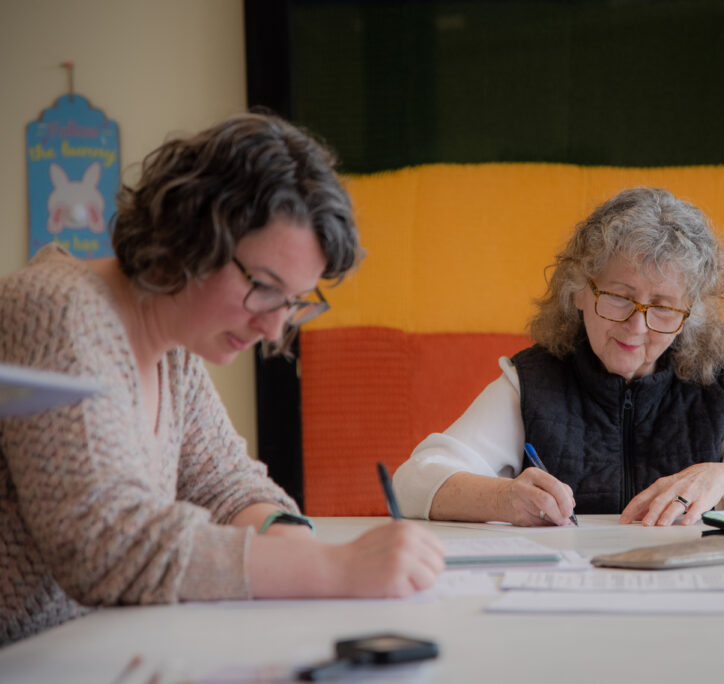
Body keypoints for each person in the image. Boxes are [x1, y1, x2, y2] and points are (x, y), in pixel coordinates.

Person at [0, 113, 444, 646]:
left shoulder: (174, 347)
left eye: (294, 302)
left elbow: (227, 486)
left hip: (87, 651)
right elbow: (104, 545)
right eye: (264, 286)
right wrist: (330, 568)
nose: (275, 325)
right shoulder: (57, 310)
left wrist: (292, 545)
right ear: (191, 233)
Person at [394, 186, 724, 527]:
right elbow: (413, 482)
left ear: (690, 316)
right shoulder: (532, 381)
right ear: (579, 291)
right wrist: (503, 499)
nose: (637, 326)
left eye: (663, 307)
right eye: (619, 297)